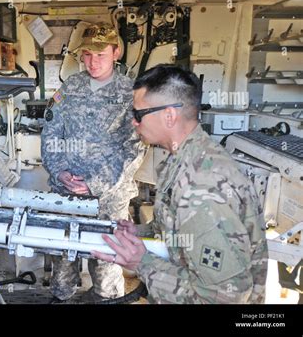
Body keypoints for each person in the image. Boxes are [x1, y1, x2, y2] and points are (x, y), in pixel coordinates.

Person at [92, 65, 268, 304]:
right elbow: (182, 230)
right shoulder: (185, 157)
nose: (134, 123)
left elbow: (227, 295)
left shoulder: (200, 188)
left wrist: (142, 263)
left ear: (169, 116)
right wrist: (140, 232)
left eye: (138, 114)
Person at [41, 22, 145, 301]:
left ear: (116, 52)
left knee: (106, 260)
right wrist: (59, 170)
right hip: (67, 193)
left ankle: (107, 299)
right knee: (63, 254)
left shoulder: (130, 93)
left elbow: (134, 149)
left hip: (108, 198)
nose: (92, 61)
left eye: (100, 54)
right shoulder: (70, 88)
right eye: (86, 54)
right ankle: (61, 297)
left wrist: (95, 184)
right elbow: (51, 131)